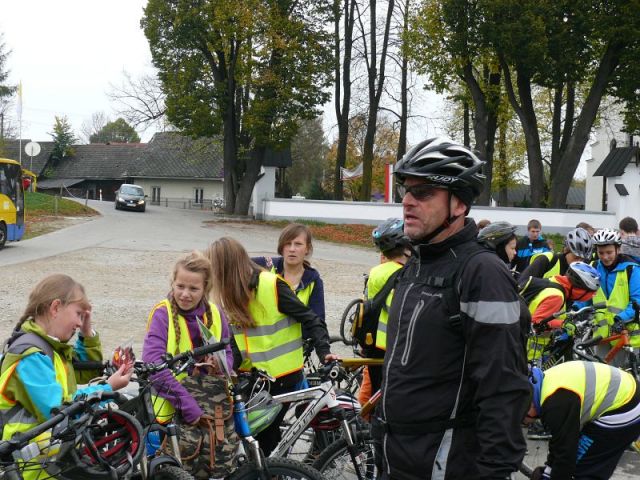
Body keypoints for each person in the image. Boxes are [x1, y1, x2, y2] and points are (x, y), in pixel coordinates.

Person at [380, 137, 530, 479]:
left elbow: (503, 383)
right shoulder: (416, 264)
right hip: (397, 453)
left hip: (446, 458)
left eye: (423, 192)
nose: (407, 201)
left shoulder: (482, 272)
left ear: (459, 204)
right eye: (406, 190)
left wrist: (494, 469)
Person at [205, 236, 336, 456]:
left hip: (282, 377)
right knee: (254, 438)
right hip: (255, 378)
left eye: (215, 271)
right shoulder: (230, 293)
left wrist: (325, 353)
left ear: (227, 269)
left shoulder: (271, 285)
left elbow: (311, 318)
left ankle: (274, 471)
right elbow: (238, 342)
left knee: (265, 440)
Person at [0, 274, 132, 477]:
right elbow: (59, 411)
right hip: (29, 467)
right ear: (55, 308)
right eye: (79, 314)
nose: (80, 322)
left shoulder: (51, 349)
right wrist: (107, 388)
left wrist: (87, 333)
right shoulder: (31, 357)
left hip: (49, 462)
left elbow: (87, 373)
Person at [143, 251, 235, 425]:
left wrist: (221, 366)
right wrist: (188, 406)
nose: (185, 294)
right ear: (173, 283)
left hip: (210, 406)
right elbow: (153, 364)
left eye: (193, 289)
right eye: (180, 286)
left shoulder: (215, 312)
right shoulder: (163, 314)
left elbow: (228, 353)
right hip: (171, 414)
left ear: (205, 288)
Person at [525, 362, 640, 480]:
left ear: (530, 405)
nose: (525, 423)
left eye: (523, 419)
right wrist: (549, 471)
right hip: (627, 395)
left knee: (581, 471)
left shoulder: (555, 404)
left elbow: (566, 454)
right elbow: (560, 444)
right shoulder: (545, 385)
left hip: (625, 408)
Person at [357, 217, 410, 406]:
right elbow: (401, 309)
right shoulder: (402, 273)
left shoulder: (378, 270)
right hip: (392, 345)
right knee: (388, 399)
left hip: (374, 344)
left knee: (376, 394)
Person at [252, 223, 325, 321]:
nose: (292, 249)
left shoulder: (313, 281)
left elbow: (318, 320)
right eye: (287, 244)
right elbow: (236, 262)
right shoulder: (266, 265)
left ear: (307, 248)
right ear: (281, 247)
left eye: (298, 244)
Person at [587, 228, 640, 352]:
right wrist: (576, 309)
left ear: (618, 249)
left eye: (609, 252)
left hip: (627, 335)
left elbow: (637, 300)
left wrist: (621, 318)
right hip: (601, 335)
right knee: (601, 371)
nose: (605, 257)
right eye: (601, 253)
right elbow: (585, 295)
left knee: (626, 371)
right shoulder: (593, 267)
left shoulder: (632, 269)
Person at [519, 227, 593, 282]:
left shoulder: (585, 269)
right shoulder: (547, 260)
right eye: (576, 257)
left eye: (583, 259)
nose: (579, 262)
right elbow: (522, 283)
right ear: (566, 250)